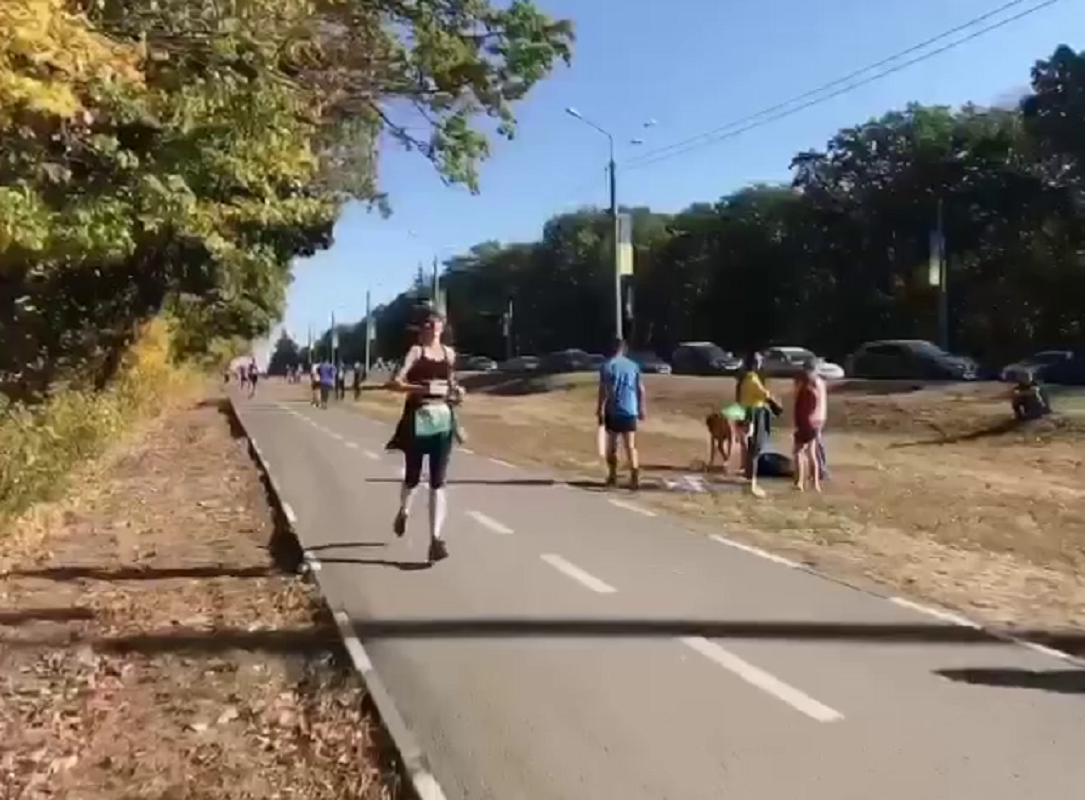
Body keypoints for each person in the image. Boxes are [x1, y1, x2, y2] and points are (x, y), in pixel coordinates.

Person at [386, 310, 462, 563]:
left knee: (438, 481)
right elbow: (395, 381)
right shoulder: (416, 352)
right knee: (413, 477)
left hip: (443, 420)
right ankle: (404, 510)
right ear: (423, 329)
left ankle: (435, 540)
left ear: (443, 327)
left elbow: (452, 385)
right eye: (429, 323)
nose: (434, 326)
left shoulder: (450, 354)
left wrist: (457, 392)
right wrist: (421, 388)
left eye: (438, 322)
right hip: (418, 419)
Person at [597, 338, 646, 489]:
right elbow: (640, 388)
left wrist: (599, 408)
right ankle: (635, 476)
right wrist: (641, 408)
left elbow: (604, 390)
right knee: (630, 445)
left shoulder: (607, 367)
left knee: (612, 446)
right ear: (623, 349)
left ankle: (613, 475)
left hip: (614, 410)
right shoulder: (634, 366)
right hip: (630, 409)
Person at [736, 351, 779, 498]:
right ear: (755, 363)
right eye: (759, 361)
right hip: (753, 415)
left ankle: (748, 481)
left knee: (750, 449)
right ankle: (752, 484)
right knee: (754, 450)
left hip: (745, 413)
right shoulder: (752, 379)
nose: (761, 363)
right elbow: (764, 395)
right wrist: (776, 406)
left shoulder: (744, 378)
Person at [792, 365, 822, 493]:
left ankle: (799, 482)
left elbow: (800, 411)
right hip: (813, 425)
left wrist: (799, 426)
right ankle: (815, 484)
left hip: (805, 425)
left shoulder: (804, 392)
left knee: (798, 452)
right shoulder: (815, 392)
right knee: (812, 454)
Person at [809, 364, 830, 481]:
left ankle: (821, 471)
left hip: (814, 418)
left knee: (815, 445)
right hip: (820, 417)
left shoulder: (814, 384)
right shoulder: (821, 382)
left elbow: (813, 401)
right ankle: (821, 470)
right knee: (818, 444)